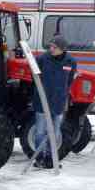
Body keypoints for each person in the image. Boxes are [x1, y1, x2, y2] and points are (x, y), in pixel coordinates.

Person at [32, 34, 76, 168]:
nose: (51, 49)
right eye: (50, 46)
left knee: (55, 132)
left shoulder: (70, 62)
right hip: (42, 101)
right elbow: (35, 78)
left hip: (58, 102)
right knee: (40, 131)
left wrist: (63, 94)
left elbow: (70, 80)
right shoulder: (42, 59)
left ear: (62, 49)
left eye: (54, 47)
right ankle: (39, 158)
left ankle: (51, 159)